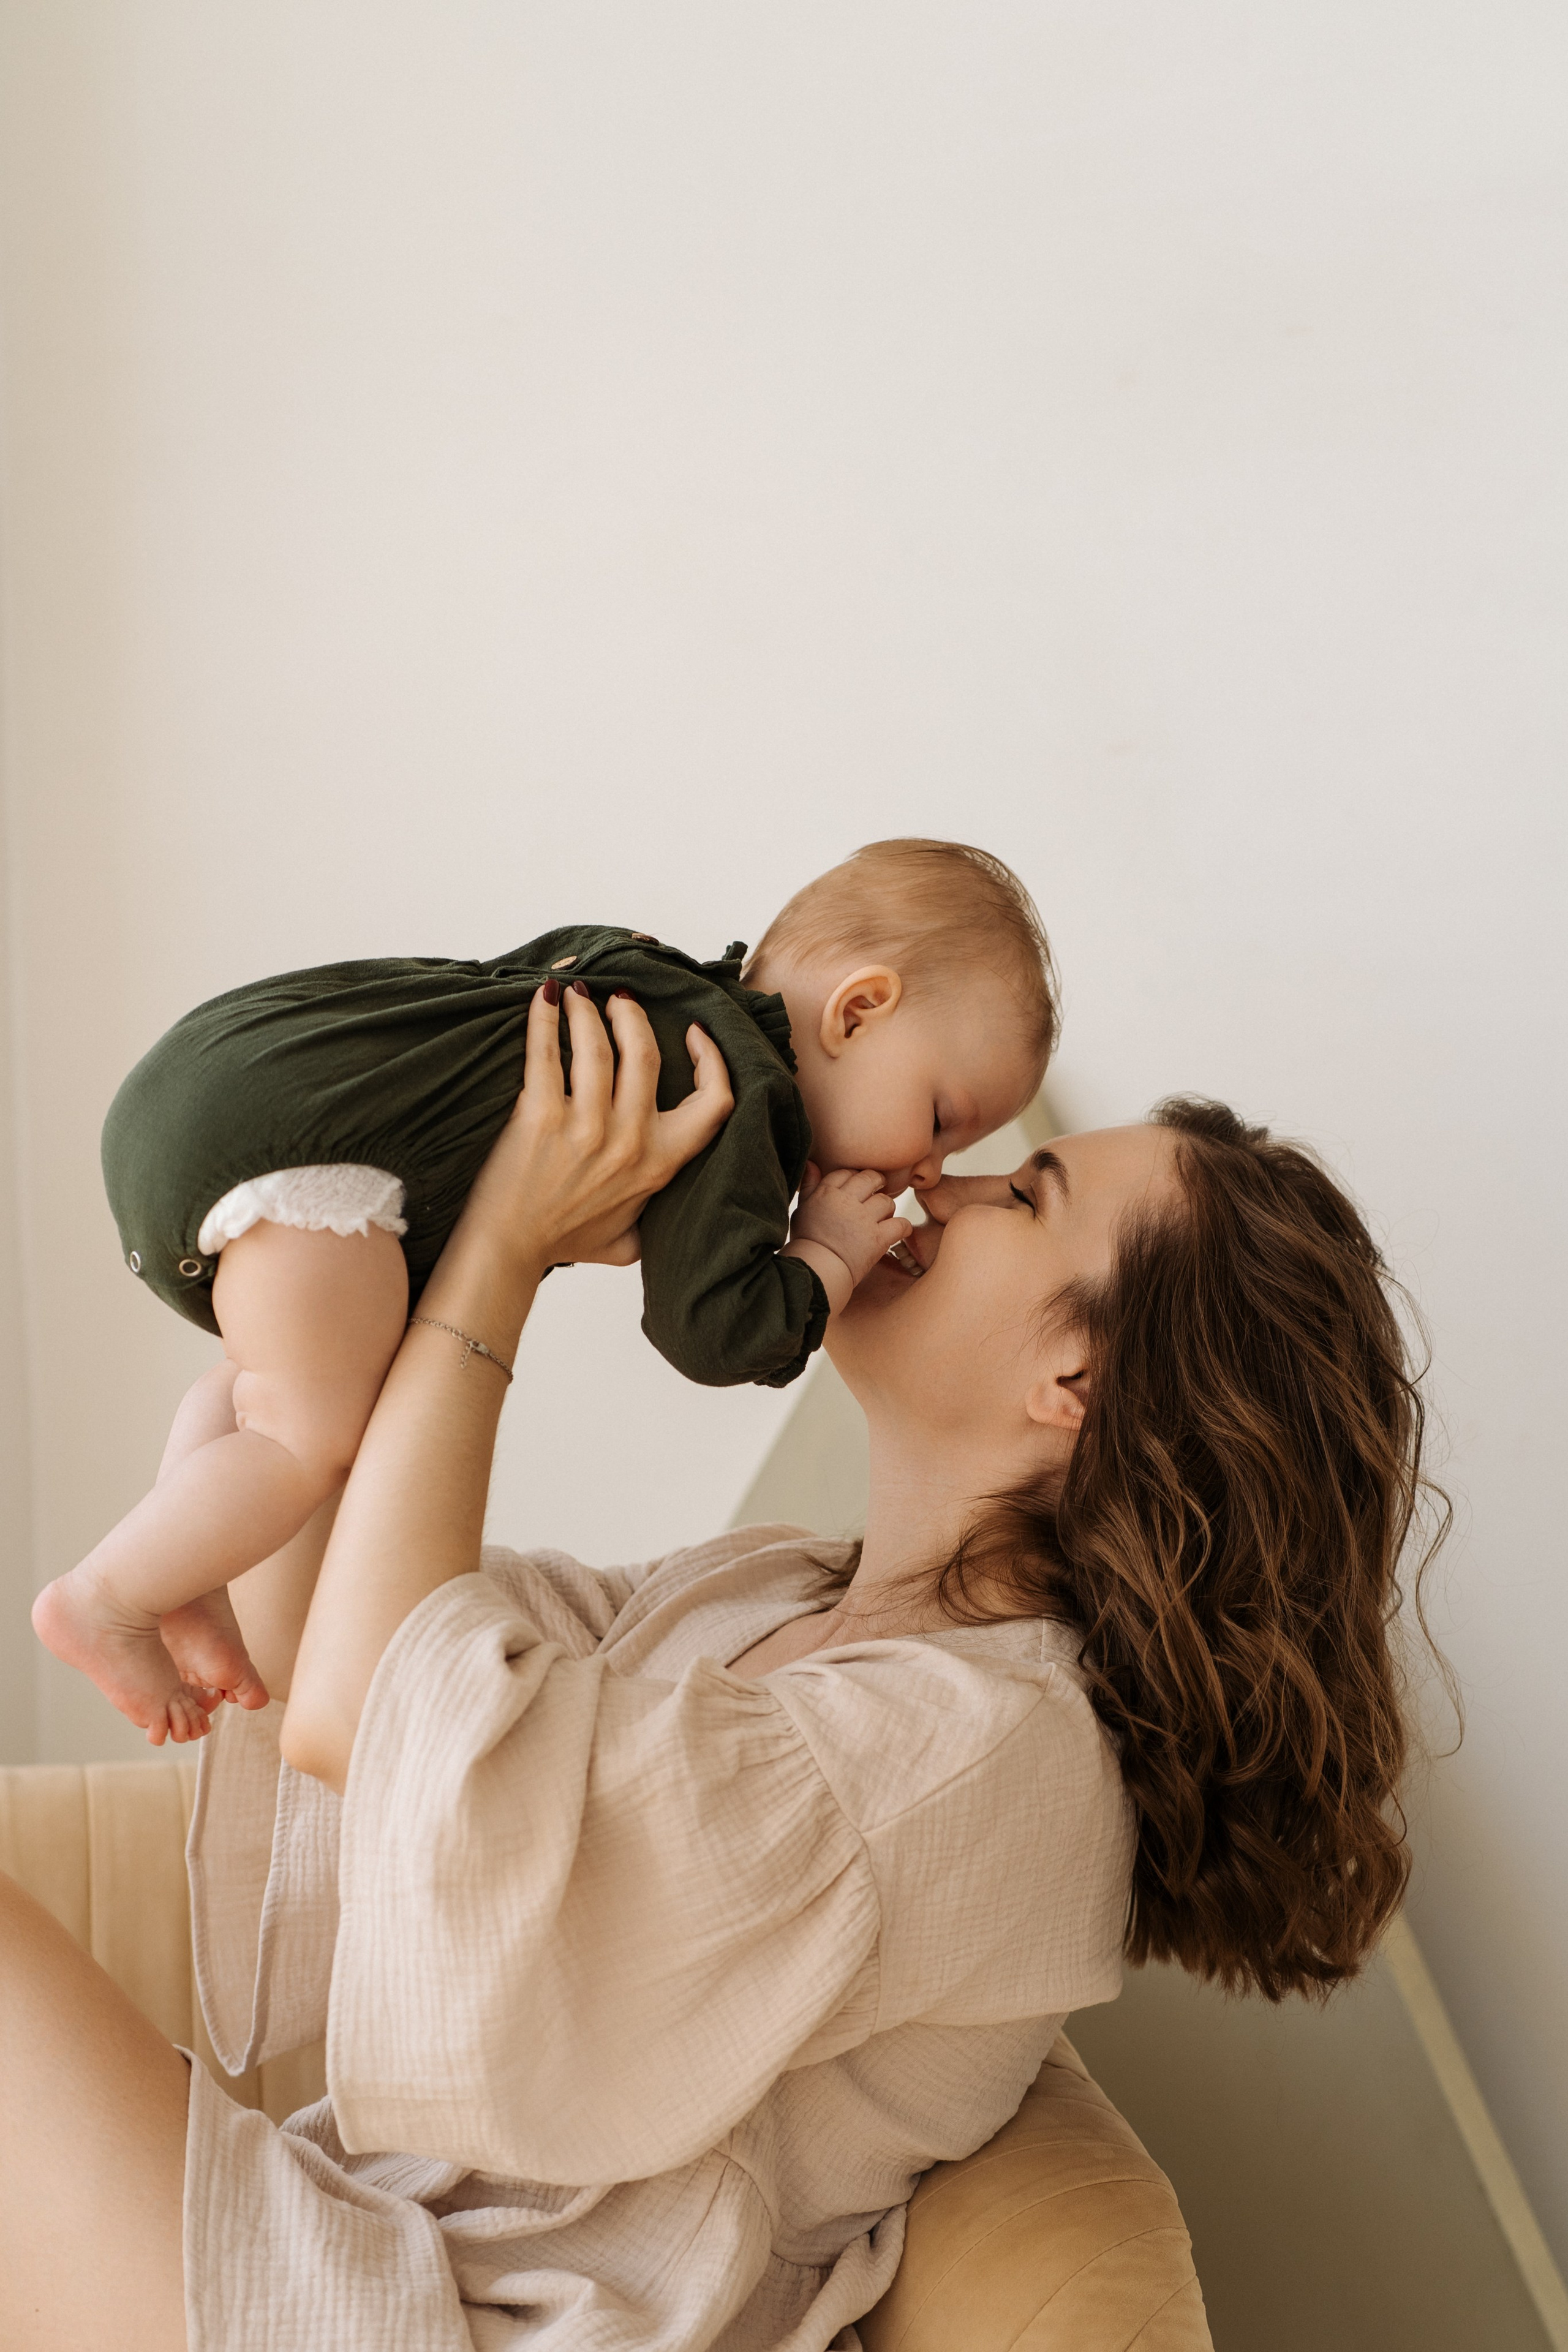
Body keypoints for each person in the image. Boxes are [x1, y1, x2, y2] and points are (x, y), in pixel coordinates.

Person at [0, 983, 1439, 2352]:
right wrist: (329, 1346)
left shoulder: (987, 1747)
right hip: (369, 2241)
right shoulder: (780, 1589)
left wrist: (507, 1247)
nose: (936, 1184)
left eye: (1022, 1194)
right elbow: (330, 1648)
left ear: (1073, 1387)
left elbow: (382, 1720)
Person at [34, 838, 1054, 1745]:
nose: (930, 1170)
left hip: (218, 1073)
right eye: (942, 1117)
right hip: (302, 1155)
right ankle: (105, 1596)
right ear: (859, 1009)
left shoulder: (647, 971)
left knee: (257, 1389)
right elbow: (711, 1332)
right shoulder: (742, 1093)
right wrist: (823, 1254)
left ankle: (187, 1566)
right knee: (303, 1434)